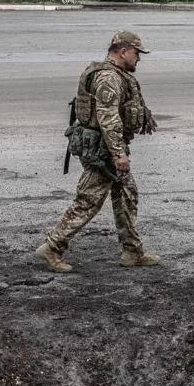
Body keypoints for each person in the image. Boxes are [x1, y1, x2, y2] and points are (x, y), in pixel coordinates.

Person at [36, 31, 160, 273]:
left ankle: (132, 252)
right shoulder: (107, 78)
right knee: (88, 201)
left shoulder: (116, 74)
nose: (139, 59)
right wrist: (118, 154)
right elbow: (108, 118)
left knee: (126, 194)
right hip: (103, 151)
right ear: (122, 51)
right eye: (136, 53)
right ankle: (52, 247)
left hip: (109, 147)